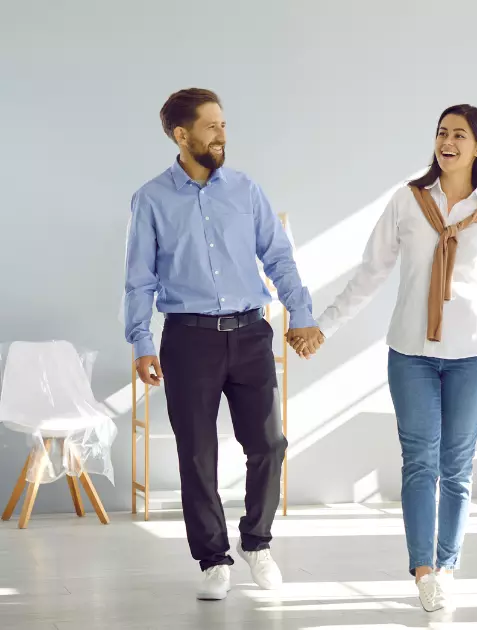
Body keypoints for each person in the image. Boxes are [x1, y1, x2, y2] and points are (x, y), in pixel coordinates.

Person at [296, 104, 477, 614]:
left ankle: (447, 568)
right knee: (420, 463)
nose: (448, 141)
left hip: (473, 357)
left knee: (456, 469)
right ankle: (422, 573)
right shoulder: (407, 202)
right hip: (411, 354)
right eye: (442, 133)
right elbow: (369, 274)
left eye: (460, 134)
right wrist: (324, 327)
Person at [124, 88, 324, 601]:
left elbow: (279, 258)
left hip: (250, 333)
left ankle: (257, 544)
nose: (222, 135)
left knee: (269, 444)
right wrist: (142, 342)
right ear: (181, 134)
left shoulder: (246, 191)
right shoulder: (150, 199)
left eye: (224, 125)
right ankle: (213, 559)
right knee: (196, 454)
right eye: (211, 126)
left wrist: (301, 314)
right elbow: (139, 280)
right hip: (187, 341)